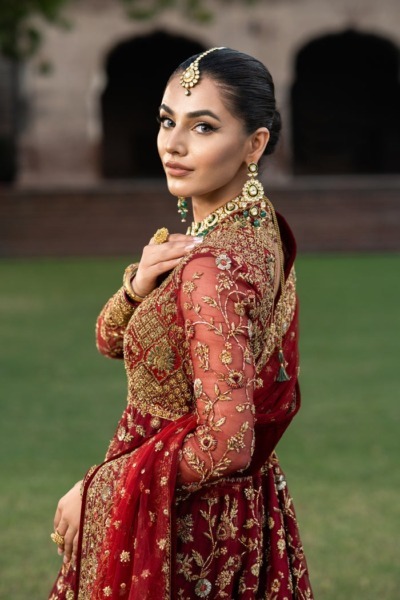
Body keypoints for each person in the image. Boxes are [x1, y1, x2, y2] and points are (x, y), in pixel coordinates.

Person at [49, 47, 313, 600]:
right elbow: (109, 340)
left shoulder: (210, 267)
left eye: (204, 126)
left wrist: (100, 489)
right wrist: (136, 287)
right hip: (240, 506)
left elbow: (225, 445)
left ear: (255, 144)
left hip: (184, 528)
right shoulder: (257, 231)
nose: (173, 143)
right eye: (168, 121)